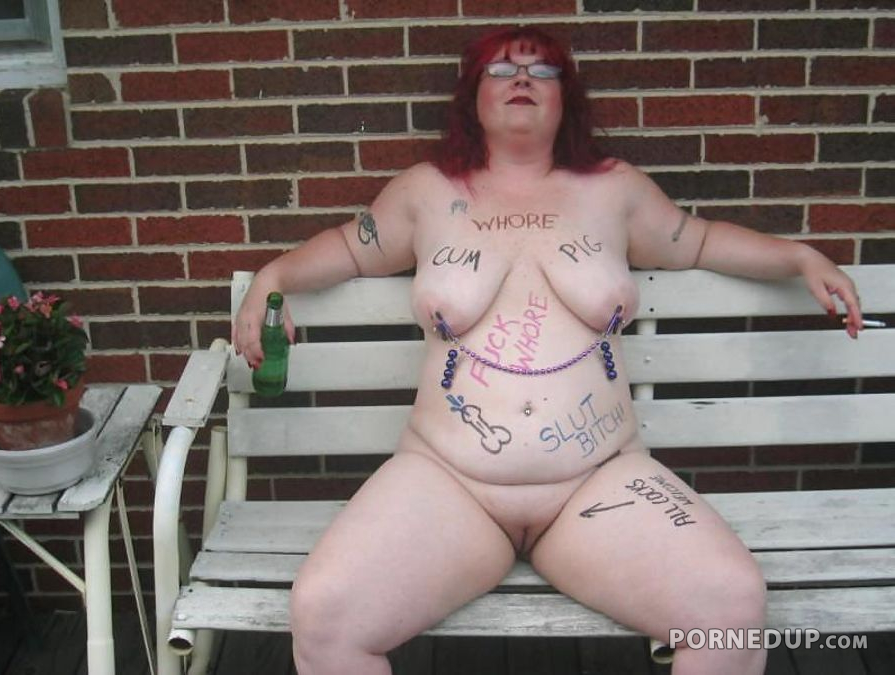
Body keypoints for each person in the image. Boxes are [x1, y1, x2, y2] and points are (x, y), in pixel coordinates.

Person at [233, 26, 863, 675]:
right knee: (327, 616)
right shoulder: (426, 191)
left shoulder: (613, 190)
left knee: (730, 608)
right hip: (448, 481)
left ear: (567, 98)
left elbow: (698, 241)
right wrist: (271, 278)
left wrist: (798, 257)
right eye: (501, 70)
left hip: (597, 480)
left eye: (543, 71)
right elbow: (349, 246)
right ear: (472, 97)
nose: (522, 81)